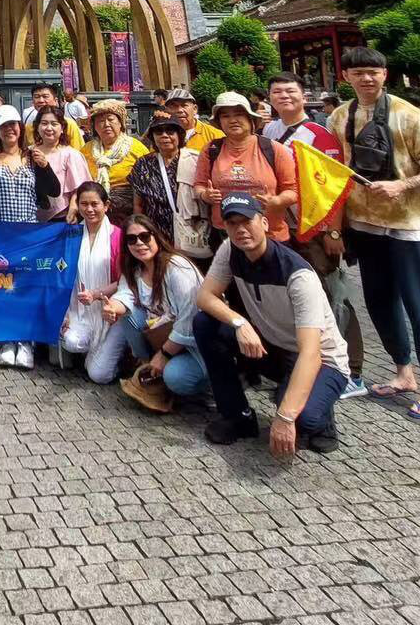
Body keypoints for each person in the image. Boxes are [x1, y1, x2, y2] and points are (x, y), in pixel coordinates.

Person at [327, 47, 420, 421]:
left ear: (385, 75)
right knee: (380, 302)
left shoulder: (409, 115)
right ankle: (404, 372)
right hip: (365, 224)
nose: (367, 79)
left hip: (405, 224)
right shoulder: (340, 116)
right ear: (347, 77)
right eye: (358, 73)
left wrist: (404, 186)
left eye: (374, 72)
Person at [194, 194, 350, 454]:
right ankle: (237, 416)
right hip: (272, 346)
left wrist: (286, 417)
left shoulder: (298, 275)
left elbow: (311, 353)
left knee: (302, 418)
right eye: (232, 223)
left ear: (265, 223)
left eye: (247, 221)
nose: (241, 229)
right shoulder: (230, 249)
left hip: (321, 358)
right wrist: (240, 322)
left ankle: (322, 419)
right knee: (205, 324)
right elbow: (205, 297)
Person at [263, 73, 365, 397]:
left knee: (333, 297)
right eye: (277, 92)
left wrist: (334, 229)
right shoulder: (269, 130)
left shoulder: (319, 135)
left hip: (317, 231)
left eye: (290, 91)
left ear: (302, 95)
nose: (284, 97)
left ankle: (352, 370)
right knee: (297, 299)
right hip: (285, 229)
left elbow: (335, 187)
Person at [92, 211, 209, 407]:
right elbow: (124, 295)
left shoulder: (177, 268)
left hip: (194, 342)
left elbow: (190, 320)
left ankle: (205, 384)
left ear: (156, 236)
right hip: (165, 334)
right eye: (131, 239)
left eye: (144, 236)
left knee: (176, 378)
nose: (139, 243)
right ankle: (148, 364)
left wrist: (164, 355)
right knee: (128, 315)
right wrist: (113, 307)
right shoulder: (136, 270)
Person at [0, 106, 60, 369]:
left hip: (29, 234)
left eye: (14, 125)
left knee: (26, 288)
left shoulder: (32, 157)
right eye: (4, 126)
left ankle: (26, 341)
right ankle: (6, 339)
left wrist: (45, 166)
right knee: (2, 287)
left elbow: (54, 190)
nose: (10, 130)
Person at [193, 92, 299, 245]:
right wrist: (205, 195)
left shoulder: (273, 149)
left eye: (238, 114)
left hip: (270, 235)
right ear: (219, 122)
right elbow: (199, 185)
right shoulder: (211, 149)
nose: (233, 120)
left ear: (250, 119)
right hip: (226, 235)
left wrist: (277, 201)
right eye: (225, 116)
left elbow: (293, 190)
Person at [56, 181, 120, 371]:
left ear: (106, 205)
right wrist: (63, 312)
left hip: (112, 311)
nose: (90, 209)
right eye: (84, 204)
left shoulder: (118, 236)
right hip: (80, 312)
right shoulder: (73, 235)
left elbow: (125, 280)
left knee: (99, 374)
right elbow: (64, 275)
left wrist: (97, 294)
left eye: (95, 204)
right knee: (72, 342)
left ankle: (117, 350)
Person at [129, 117, 189, 251]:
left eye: (170, 132)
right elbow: (138, 204)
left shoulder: (192, 160)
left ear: (179, 135)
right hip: (155, 231)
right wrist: (141, 230)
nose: (164, 136)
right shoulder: (143, 164)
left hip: (188, 230)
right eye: (159, 132)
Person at [86, 99, 146, 225]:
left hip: (129, 210)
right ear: (94, 126)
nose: (106, 124)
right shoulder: (86, 150)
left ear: (121, 123)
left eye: (111, 119)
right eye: (101, 121)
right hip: (93, 211)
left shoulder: (136, 147)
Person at [33, 104, 91, 220]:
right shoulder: (28, 153)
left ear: (62, 128)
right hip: (31, 218)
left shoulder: (71, 155)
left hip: (62, 217)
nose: (49, 128)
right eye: (44, 123)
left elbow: (80, 188)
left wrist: (73, 210)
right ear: (37, 127)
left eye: (54, 124)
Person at [22, 84, 87, 151]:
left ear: (55, 100)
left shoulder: (68, 124)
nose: (41, 100)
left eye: (45, 96)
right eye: (36, 97)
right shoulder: (29, 127)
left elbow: (79, 152)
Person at [164, 88, 223, 154]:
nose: (179, 110)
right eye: (174, 106)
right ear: (167, 111)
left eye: (184, 105)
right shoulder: (161, 135)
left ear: (195, 109)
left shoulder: (215, 135)